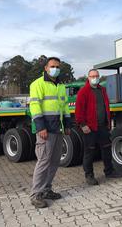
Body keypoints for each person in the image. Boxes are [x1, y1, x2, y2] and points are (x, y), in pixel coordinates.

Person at [29, 57, 71, 208]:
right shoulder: (37, 84)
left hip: (58, 129)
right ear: (46, 68)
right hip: (45, 130)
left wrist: (67, 124)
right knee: (44, 161)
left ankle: (46, 189)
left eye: (57, 66)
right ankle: (36, 195)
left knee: (54, 161)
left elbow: (65, 107)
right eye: (52, 66)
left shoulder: (60, 85)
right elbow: (35, 106)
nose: (55, 68)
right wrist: (40, 127)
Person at [75, 69, 122, 185]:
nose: (94, 78)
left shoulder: (102, 90)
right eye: (92, 76)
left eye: (96, 76)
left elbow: (106, 107)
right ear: (88, 77)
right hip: (89, 128)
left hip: (102, 126)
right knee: (89, 152)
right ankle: (89, 175)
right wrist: (82, 125)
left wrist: (108, 123)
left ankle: (109, 171)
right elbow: (79, 111)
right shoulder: (83, 91)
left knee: (106, 149)